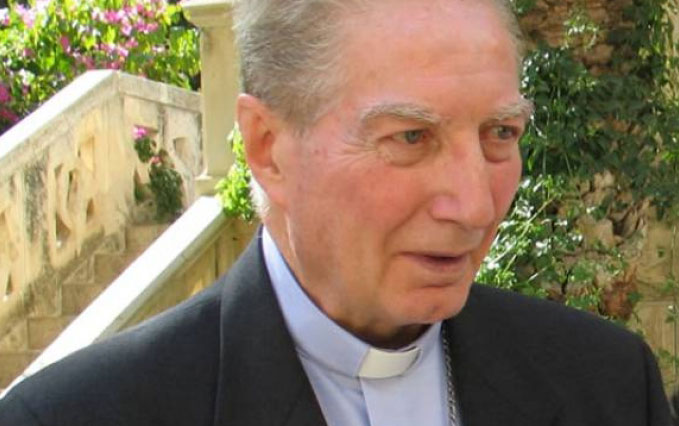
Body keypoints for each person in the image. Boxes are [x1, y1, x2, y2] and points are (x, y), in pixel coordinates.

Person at [0, 0, 672, 425]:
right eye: (410, 138)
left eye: (500, 134)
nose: (474, 206)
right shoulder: (72, 415)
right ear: (268, 148)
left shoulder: (608, 386)